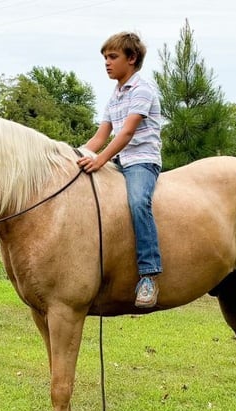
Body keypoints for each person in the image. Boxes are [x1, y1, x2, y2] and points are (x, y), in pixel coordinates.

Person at [77, 31, 163, 309]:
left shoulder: (143, 90)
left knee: (138, 202)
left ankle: (149, 275)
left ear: (132, 58)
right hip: (119, 161)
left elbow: (125, 134)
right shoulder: (115, 96)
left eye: (113, 57)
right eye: (105, 57)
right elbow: (100, 137)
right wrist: (74, 157)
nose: (107, 62)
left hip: (141, 161)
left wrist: (99, 161)